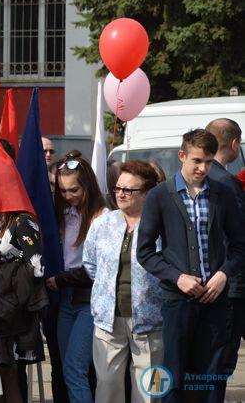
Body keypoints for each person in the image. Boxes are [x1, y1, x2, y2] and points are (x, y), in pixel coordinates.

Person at [137, 129, 245, 403]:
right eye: (197, 160)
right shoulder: (160, 196)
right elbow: (145, 252)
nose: (203, 168)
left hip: (215, 300)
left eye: (208, 161)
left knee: (211, 376)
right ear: (182, 156)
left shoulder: (222, 193)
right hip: (177, 300)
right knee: (173, 374)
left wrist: (223, 274)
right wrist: (177, 277)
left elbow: (239, 245)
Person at [83, 161, 163, 403]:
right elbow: (90, 264)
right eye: (118, 188)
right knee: (106, 386)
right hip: (108, 319)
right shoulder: (102, 223)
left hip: (151, 319)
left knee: (150, 388)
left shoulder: (162, 224)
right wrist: (106, 291)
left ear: (148, 193)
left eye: (129, 190)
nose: (121, 194)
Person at [46, 153, 107, 403]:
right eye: (62, 191)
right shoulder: (64, 214)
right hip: (65, 300)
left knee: (74, 368)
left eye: (74, 190)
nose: (68, 196)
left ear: (88, 186)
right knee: (65, 367)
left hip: (89, 299)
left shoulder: (101, 217)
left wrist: (62, 280)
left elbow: (98, 268)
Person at [0, 210, 46, 403]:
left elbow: (35, 270)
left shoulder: (23, 221)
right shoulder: (1, 220)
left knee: (6, 377)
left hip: (10, 313)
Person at [205, 119, 245, 377]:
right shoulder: (227, 182)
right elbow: (238, 236)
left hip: (207, 280)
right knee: (220, 362)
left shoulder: (193, 178)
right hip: (230, 283)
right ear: (234, 143)